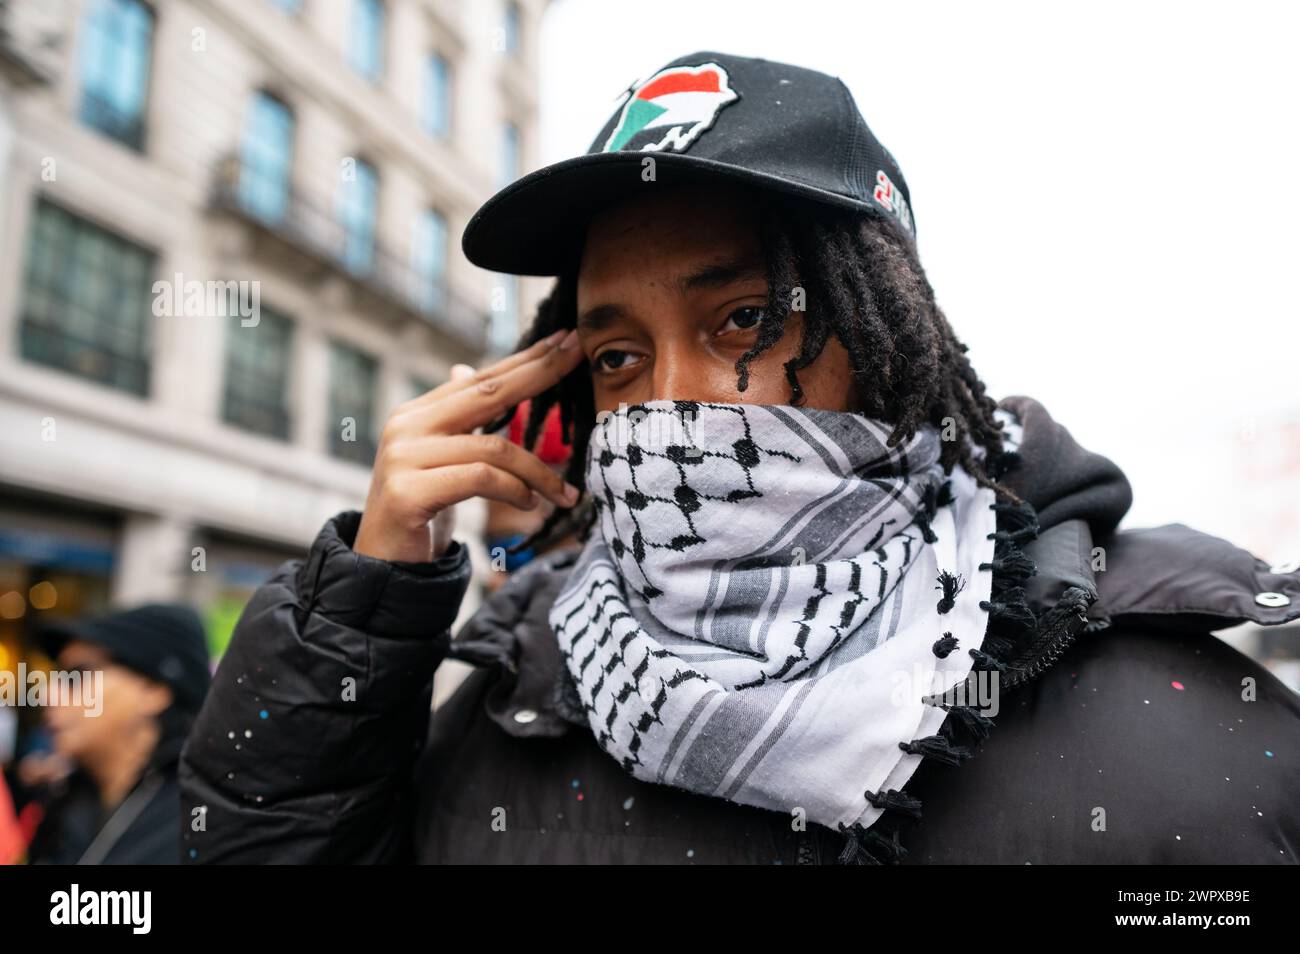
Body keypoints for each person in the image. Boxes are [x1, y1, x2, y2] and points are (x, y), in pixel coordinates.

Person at [180, 52, 1300, 864]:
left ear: (887, 342)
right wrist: (366, 606)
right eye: (615, 353)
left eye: (745, 323)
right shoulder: (512, 692)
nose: (666, 402)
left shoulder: (1181, 725)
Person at [22, 604, 211, 864]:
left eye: (77, 676)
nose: (48, 696)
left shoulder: (206, 823)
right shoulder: (63, 804)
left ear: (153, 689)